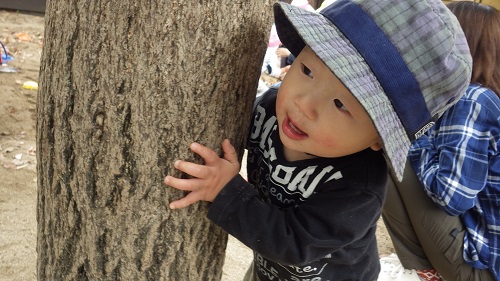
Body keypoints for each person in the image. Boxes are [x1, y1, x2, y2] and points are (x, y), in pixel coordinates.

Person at [164, 0, 472, 280]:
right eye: (308, 70)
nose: (304, 104)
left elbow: (295, 244)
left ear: (379, 138)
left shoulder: (358, 188)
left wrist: (225, 191)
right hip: (268, 263)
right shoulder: (269, 107)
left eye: (341, 104)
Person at [379, 2, 500, 281]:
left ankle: (425, 269)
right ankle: (422, 265)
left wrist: (417, 137)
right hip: (483, 254)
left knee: (388, 147)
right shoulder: (483, 95)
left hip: (480, 271)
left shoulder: (472, 101)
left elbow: (451, 196)